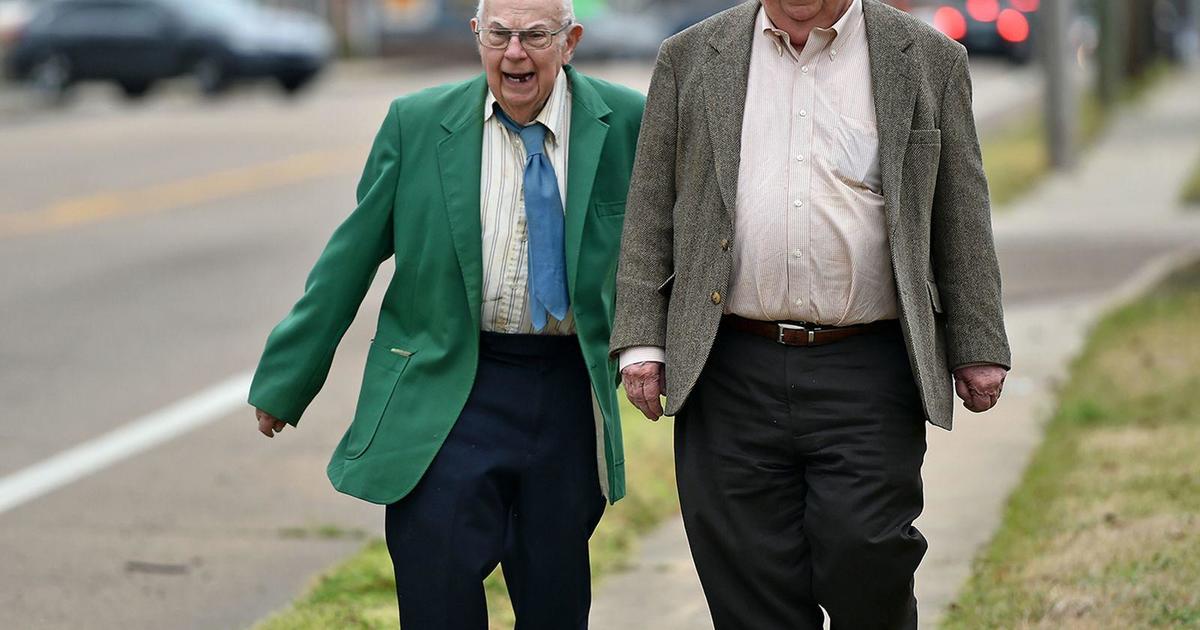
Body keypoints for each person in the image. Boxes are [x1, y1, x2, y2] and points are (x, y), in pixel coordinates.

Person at [611, 0, 1010, 628]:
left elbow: (960, 206)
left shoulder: (927, 58)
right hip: (728, 364)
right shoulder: (690, 56)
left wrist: (977, 340)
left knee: (868, 550)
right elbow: (650, 204)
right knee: (747, 578)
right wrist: (640, 339)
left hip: (867, 364)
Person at [248, 0, 645, 626]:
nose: (515, 52)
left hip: (567, 388)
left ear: (570, 42)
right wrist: (287, 379)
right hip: (448, 380)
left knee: (554, 594)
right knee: (435, 577)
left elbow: (661, 251)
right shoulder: (418, 122)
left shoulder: (625, 122)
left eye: (536, 36)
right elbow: (349, 259)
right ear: (476, 36)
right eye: (499, 34)